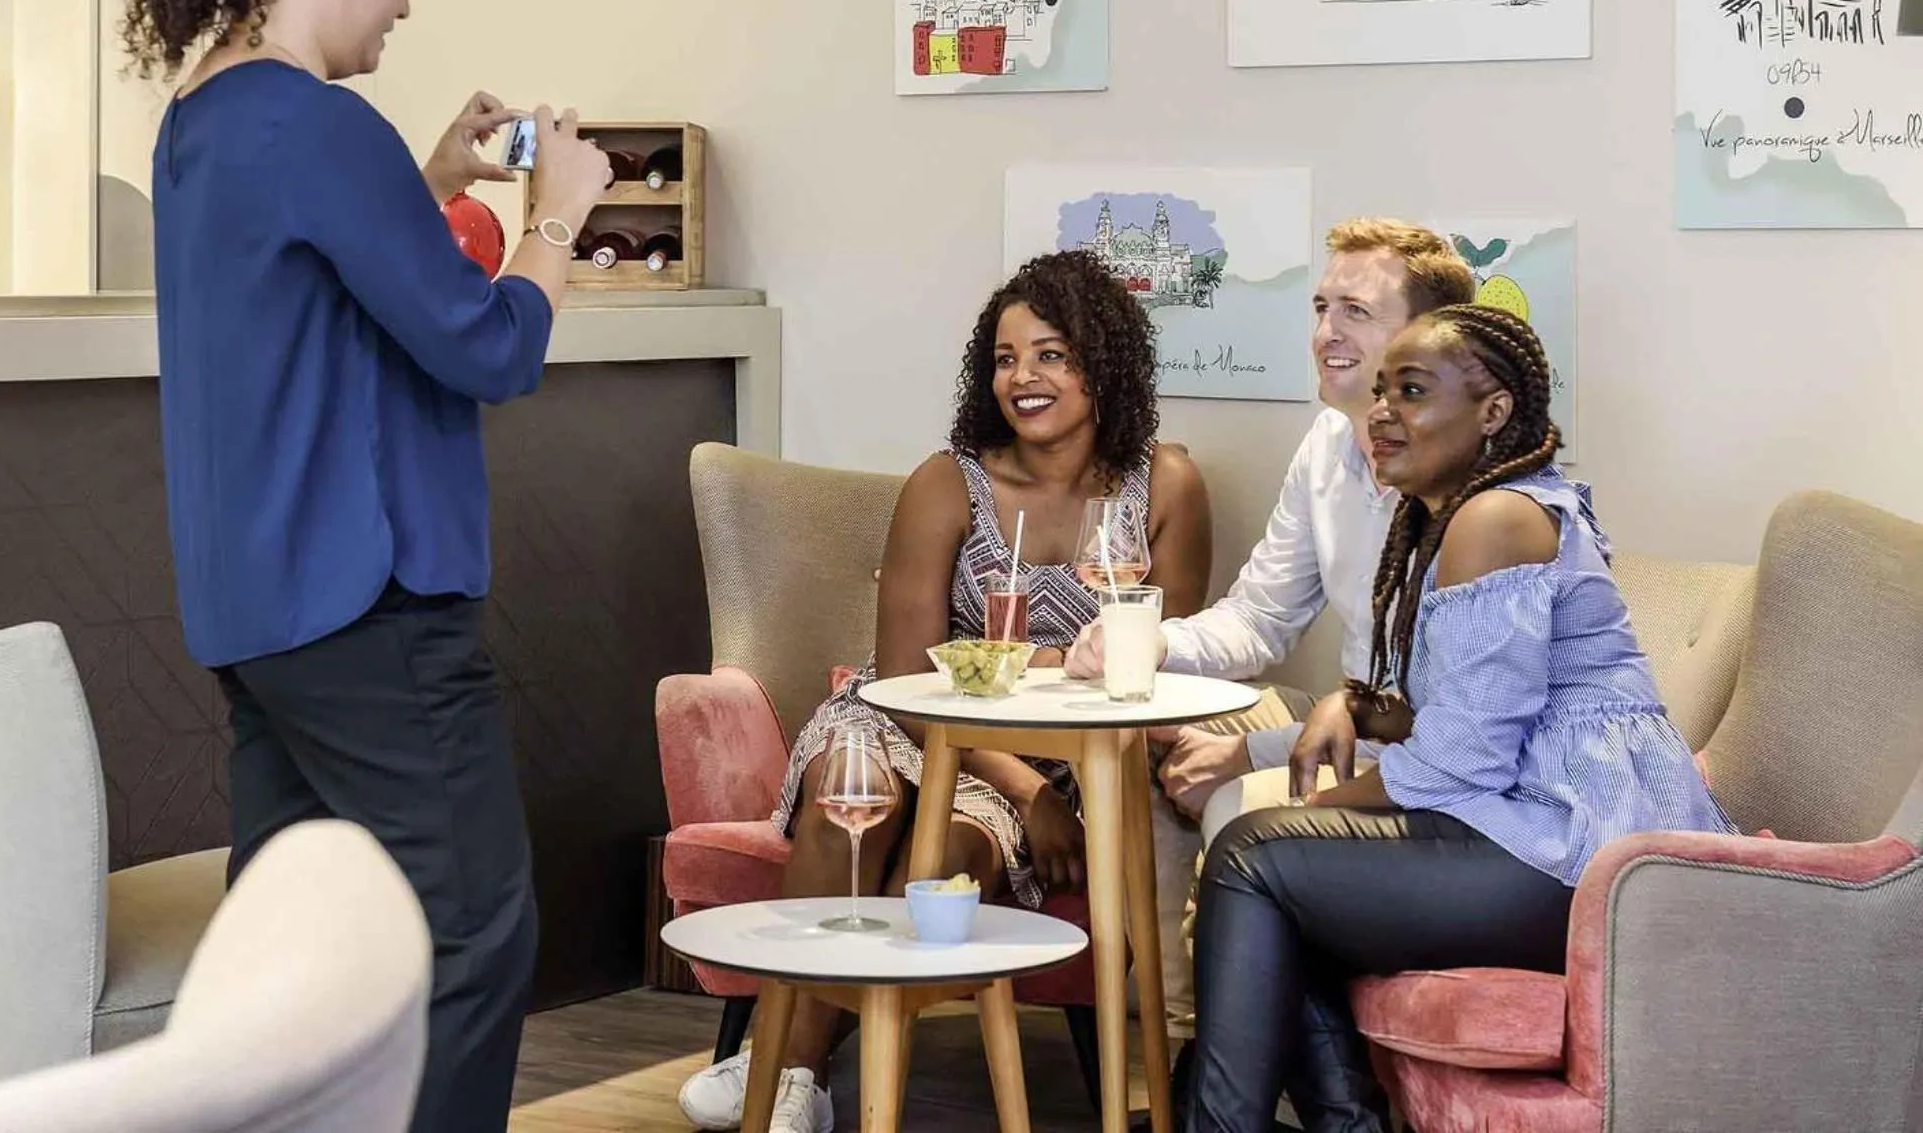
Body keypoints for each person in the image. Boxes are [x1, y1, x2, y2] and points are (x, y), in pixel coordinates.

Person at [126, 0, 613, 1133]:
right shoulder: (319, 125)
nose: (405, 2)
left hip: (262, 616)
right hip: (370, 606)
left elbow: (318, 293)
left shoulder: (201, 118)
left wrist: (429, 178)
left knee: (288, 960)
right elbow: (490, 347)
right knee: (472, 934)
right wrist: (559, 212)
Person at [678, 251, 1212, 1133]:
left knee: (950, 859)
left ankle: (780, 1064)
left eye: (1051, 354)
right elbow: (901, 677)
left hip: (1057, 752)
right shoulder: (949, 481)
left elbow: (1163, 660)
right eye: (1006, 358)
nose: (1023, 377)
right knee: (852, 798)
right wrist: (1030, 791)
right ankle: (793, 1074)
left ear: (1103, 363)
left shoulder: (1166, 488)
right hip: (907, 722)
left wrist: (1046, 772)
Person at [1186, 306, 1733, 1132]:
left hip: (1581, 855)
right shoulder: (1459, 519)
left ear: (1493, 412)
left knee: (1253, 856)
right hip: (1544, 832)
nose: (1381, 413)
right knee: (1281, 873)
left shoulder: (1495, 519)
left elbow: (1459, 765)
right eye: (1380, 392)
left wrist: (1321, 809)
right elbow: (1473, 714)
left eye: (1411, 391)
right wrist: (1358, 709)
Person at [1063, 219, 1475, 1042]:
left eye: (1356, 311)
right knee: (1150, 737)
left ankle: (1229, 1053)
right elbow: (1260, 617)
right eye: (1321, 308)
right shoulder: (1327, 444)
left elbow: (1435, 722)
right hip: (1345, 717)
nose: (1326, 333)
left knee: (1236, 803)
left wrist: (1250, 753)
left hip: (1410, 747)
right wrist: (1151, 643)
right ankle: (1176, 1042)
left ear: (1429, 339)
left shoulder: (1471, 479)